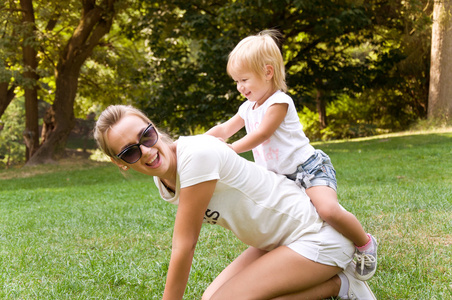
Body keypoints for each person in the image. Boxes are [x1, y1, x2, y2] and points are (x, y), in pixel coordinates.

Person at [94, 104, 376, 299]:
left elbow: (184, 245)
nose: (146, 151)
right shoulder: (165, 178)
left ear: (153, 127)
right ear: (120, 163)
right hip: (276, 242)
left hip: (316, 237)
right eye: (130, 152)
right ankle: (340, 285)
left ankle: (340, 283)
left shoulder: (195, 156)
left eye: (146, 135)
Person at [206, 29, 377, 281]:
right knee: (297, 223)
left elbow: (263, 133)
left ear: (267, 72)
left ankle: (365, 244)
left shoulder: (279, 102)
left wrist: (230, 150)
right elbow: (224, 129)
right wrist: (200, 142)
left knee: (327, 211)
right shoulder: (246, 107)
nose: (240, 87)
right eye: (236, 82)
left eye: (244, 79)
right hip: (281, 179)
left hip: (309, 169)